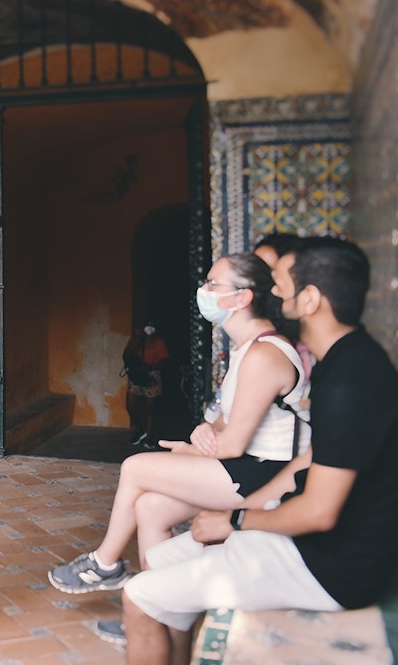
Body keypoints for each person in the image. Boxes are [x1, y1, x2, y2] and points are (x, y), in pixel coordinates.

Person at [121, 237, 398, 665]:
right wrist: (238, 515)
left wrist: (237, 520)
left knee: (137, 593)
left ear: (309, 299)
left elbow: (320, 512)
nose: (274, 289)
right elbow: (308, 462)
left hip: (330, 567)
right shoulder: (339, 362)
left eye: (282, 281)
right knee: (158, 564)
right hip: (308, 543)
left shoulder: (351, 382)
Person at [49, 252, 310, 643]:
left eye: (213, 284)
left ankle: (105, 563)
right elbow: (223, 420)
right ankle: (155, 615)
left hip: (267, 473)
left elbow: (234, 442)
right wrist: (206, 431)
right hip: (245, 464)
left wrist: (195, 448)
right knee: (149, 507)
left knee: (136, 467)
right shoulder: (246, 348)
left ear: (242, 298)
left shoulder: (264, 354)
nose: (203, 291)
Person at [122, 320, 169, 447]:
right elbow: (126, 355)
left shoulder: (159, 342)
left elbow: (164, 361)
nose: (149, 328)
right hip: (136, 376)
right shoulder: (137, 341)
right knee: (130, 406)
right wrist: (135, 338)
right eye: (147, 325)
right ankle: (140, 430)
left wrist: (148, 367)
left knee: (149, 409)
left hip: (152, 375)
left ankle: (149, 436)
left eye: (152, 325)